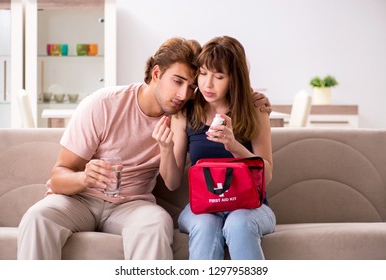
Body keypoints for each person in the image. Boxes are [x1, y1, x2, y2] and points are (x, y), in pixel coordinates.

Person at [17, 36, 271, 260]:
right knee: (38, 218)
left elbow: (226, 93)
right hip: (80, 200)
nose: (183, 94)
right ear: (157, 74)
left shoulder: (184, 112)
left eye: (191, 87)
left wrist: (250, 98)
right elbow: (58, 176)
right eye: (178, 81)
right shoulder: (103, 105)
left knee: (156, 224)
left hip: (133, 205)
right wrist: (84, 178)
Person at [152, 36, 276, 260]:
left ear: (234, 79)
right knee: (206, 223)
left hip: (251, 207)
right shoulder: (187, 112)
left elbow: (266, 176)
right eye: (203, 73)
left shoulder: (255, 110)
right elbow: (172, 182)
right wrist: (165, 149)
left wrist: (235, 146)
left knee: (238, 223)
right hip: (203, 205)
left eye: (219, 76)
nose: (207, 84)